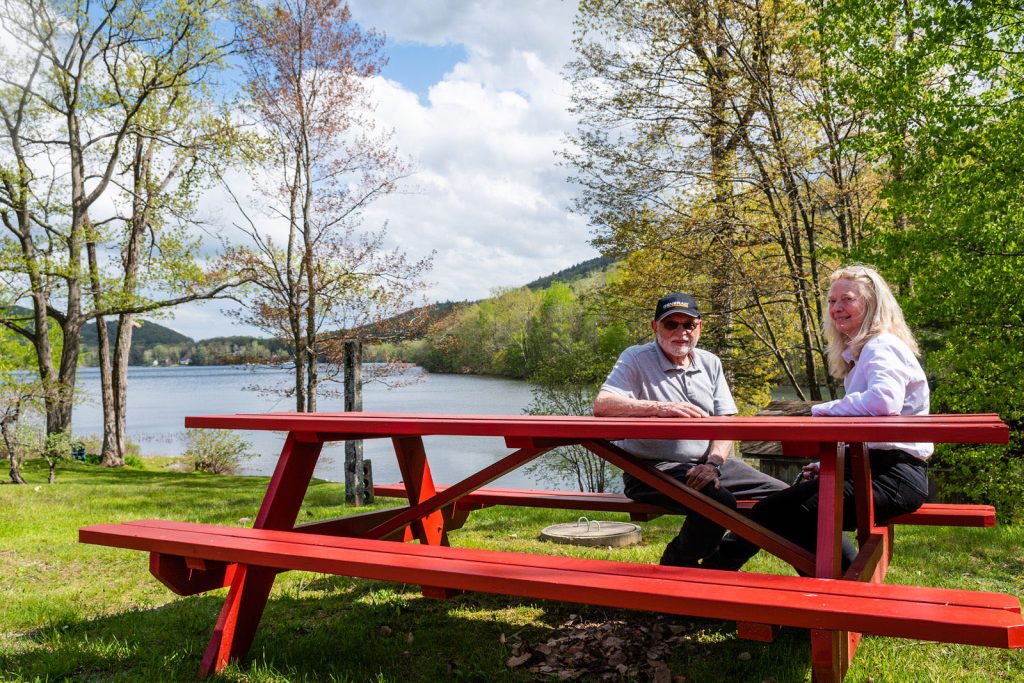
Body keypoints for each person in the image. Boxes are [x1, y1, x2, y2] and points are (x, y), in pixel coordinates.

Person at [745, 264, 932, 571]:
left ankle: (842, 588)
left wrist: (820, 410)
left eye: (847, 299)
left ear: (871, 303)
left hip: (895, 476)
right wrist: (827, 464)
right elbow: (870, 430)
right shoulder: (862, 352)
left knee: (778, 513)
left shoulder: (881, 345)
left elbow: (884, 401)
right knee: (772, 511)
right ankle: (843, 586)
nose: (837, 308)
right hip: (869, 468)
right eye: (832, 302)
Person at [593, 292, 787, 568]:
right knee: (718, 501)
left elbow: (725, 421)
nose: (681, 332)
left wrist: (714, 463)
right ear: (655, 327)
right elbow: (603, 405)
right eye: (671, 324)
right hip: (650, 470)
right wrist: (660, 408)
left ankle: (720, 564)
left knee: (785, 500)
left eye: (688, 325)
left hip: (711, 465)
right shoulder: (636, 358)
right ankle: (676, 563)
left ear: (700, 327)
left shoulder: (710, 362)